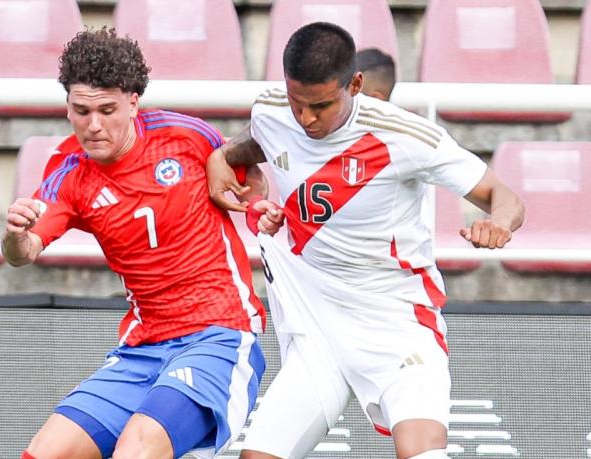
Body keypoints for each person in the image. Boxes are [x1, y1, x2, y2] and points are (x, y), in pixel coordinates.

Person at [207, 22, 525, 459]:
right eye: (298, 103)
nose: (306, 119)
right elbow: (258, 141)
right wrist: (221, 156)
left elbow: (505, 197)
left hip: (395, 320)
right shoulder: (272, 111)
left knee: (421, 453)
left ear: (355, 85)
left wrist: (499, 223)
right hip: (316, 324)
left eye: (321, 105)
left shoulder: (406, 137)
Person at [2, 27, 269, 459]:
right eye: (81, 111)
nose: (93, 125)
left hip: (218, 335)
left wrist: (257, 199)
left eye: (107, 110)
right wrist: (15, 235)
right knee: (43, 453)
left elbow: (250, 169)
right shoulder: (69, 172)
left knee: (136, 450)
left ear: (132, 102)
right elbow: (25, 251)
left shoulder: (184, 136)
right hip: (142, 349)